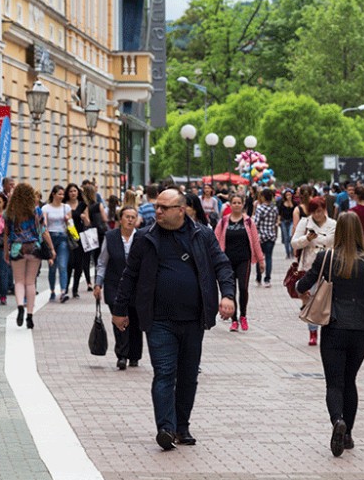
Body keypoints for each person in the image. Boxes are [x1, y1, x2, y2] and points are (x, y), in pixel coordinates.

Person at [110, 188, 236, 451]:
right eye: (157, 206)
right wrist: (119, 309)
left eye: (164, 208)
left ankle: (182, 427)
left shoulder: (202, 235)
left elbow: (222, 265)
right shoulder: (145, 237)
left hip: (193, 319)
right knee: (165, 372)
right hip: (158, 320)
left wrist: (228, 295)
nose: (157, 211)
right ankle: (165, 428)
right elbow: (130, 275)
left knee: (188, 375)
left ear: (181, 210)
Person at [295, 212, 364, 457]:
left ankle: (337, 421)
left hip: (334, 327)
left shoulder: (326, 258)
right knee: (350, 380)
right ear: (359, 232)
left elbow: (302, 285)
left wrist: (303, 291)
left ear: (338, 232)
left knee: (334, 383)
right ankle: (348, 434)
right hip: (360, 330)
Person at [95, 206, 142, 369]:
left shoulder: (142, 237)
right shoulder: (111, 237)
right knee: (119, 318)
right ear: (120, 219)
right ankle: (122, 355)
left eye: (133, 217)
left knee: (134, 320)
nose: (130, 220)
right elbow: (102, 262)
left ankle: (134, 355)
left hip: (136, 286)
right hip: (114, 284)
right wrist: (98, 283)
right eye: (127, 216)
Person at [5, 183, 54, 330]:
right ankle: (30, 316)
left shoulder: (10, 212)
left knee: (19, 281)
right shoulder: (36, 210)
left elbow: (6, 233)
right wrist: (51, 248)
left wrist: (6, 252)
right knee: (30, 282)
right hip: (34, 248)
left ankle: (20, 305)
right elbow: (43, 231)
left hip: (17, 248)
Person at [290, 196, 337, 346]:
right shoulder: (305, 223)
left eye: (320, 211)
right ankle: (313, 332)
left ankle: (328, 331)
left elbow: (333, 242)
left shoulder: (333, 224)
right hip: (310, 267)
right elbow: (294, 243)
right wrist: (307, 239)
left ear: (324, 210)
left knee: (328, 300)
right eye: (314, 212)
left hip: (329, 266)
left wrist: (317, 240)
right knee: (311, 300)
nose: (317, 214)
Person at [214, 194, 264, 332]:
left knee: (243, 288)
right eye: (234, 202)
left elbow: (255, 241)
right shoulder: (223, 221)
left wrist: (261, 260)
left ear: (243, 205)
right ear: (230, 204)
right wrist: (214, 259)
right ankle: (234, 319)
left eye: (239, 203)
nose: (236, 205)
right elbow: (215, 240)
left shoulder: (248, 222)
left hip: (244, 260)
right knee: (231, 290)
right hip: (227, 261)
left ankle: (243, 316)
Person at [41, 185, 72, 302]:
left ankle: (63, 291)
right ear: (53, 194)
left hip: (63, 237)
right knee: (52, 268)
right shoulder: (46, 208)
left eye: (63, 194)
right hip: (50, 237)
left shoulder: (66, 207)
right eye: (59, 194)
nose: (61, 196)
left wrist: (68, 220)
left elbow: (71, 225)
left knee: (63, 265)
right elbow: (44, 225)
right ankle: (52, 290)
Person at [65, 183, 91, 298]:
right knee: (68, 263)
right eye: (70, 191)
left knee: (79, 264)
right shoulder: (64, 205)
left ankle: (75, 290)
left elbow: (88, 223)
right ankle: (65, 287)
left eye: (75, 191)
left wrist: (84, 218)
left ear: (78, 192)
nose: (73, 193)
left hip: (79, 237)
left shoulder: (83, 205)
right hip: (67, 236)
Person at [253, 188, 280, 288]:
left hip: (261, 236)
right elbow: (275, 221)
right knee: (269, 257)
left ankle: (258, 277)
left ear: (263, 197)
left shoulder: (260, 208)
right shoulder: (275, 208)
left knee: (259, 258)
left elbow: (256, 223)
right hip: (271, 236)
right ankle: (267, 279)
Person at [83, 182, 108, 284]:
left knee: (87, 258)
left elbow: (86, 221)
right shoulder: (98, 205)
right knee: (98, 258)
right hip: (99, 232)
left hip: (87, 232)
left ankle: (88, 282)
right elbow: (105, 219)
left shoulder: (83, 206)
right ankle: (97, 281)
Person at [278, 190, 296, 259]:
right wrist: (278, 221)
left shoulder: (294, 203)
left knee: (290, 236)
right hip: (284, 221)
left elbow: (295, 212)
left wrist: (290, 202)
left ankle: (292, 251)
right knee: (286, 238)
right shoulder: (282, 203)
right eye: (287, 195)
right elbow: (279, 213)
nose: (288, 196)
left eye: (290, 194)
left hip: (291, 221)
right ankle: (287, 253)